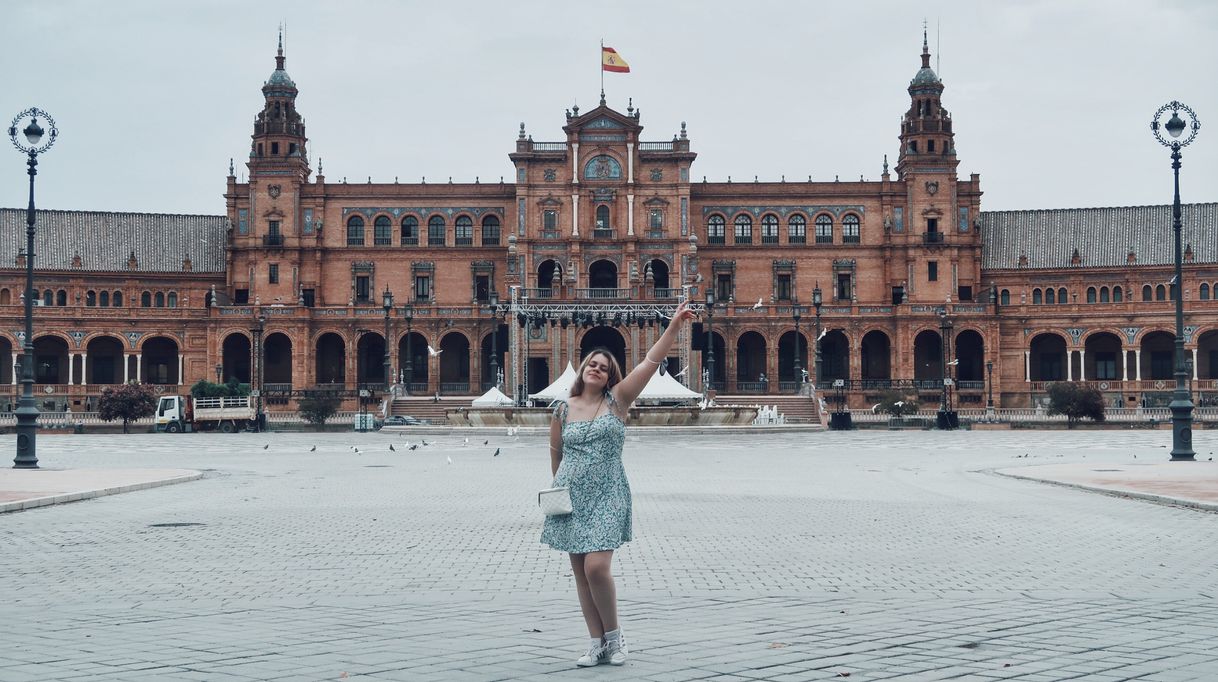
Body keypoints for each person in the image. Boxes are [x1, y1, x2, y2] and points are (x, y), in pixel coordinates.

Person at [542, 300, 696, 667]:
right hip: (572, 496)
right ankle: (595, 643)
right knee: (579, 572)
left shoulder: (618, 401)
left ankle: (614, 636)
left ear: (611, 376)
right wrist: (559, 493)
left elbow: (650, 363)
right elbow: (555, 454)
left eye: (603, 367)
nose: (596, 369)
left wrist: (673, 327)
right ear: (582, 368)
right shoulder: (563, 408)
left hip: (609, 492)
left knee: (597, 567)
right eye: (592, 364)